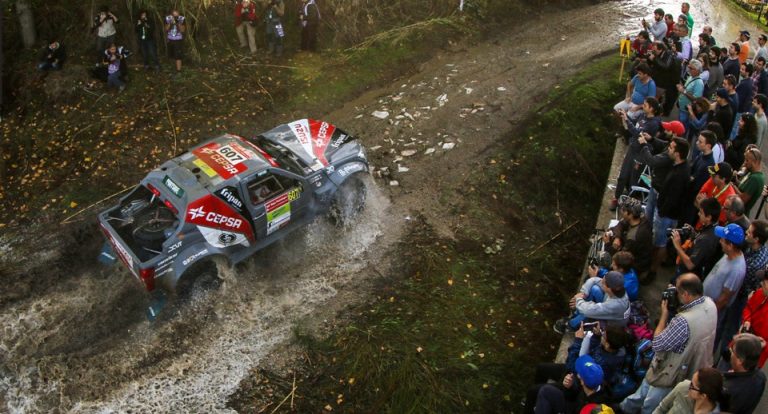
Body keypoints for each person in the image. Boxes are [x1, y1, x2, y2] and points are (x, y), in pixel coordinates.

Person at [620, 273, 717, 414]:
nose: (674, 293)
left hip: (669, 372)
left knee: (650, 402)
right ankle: (626, 407)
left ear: (686, 295)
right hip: (693, 366)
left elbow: (657, 343)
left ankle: (630, 410)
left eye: (677, 291)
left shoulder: (683, 321)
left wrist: (664, 314)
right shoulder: (710, 304)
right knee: (643, 391)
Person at [526, 325, 628, 414]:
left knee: (537, 391)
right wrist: (596, 337)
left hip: (572, 382)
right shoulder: (596, 383)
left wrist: (578, 341)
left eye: (603, 336)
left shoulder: (589, 406)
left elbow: (571, 366)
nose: (602, 335)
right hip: (573, 382)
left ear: (582, 380)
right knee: (542, 369)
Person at [650, 137, 690, 277]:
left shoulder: (680, 174)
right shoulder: (680, 166)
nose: (668, 149)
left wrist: (661, 212)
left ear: (678, 153)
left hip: (667, 215)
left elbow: (673, 198)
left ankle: (653, 270)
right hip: (667, 213)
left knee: (660, 243)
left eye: (671, 148)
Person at [553, 271, 629, 334]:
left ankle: (571, 326)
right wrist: (583, 294)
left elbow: (588, 311)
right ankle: (576, 314)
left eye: (603, 283)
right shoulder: (615, 289)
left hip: (611, 323)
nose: (601, 282)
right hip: (607, 307)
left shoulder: (615, 305)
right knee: (594, 289)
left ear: (609, 288)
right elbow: (594, 280)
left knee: (587, 313)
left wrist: (578, 299)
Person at [534, 355, 610, 414]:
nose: (577, 374)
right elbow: (572, 398)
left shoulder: (596, 408)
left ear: (582, 382)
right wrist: (569, 387)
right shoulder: (593, 385)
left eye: (579, 373)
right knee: (546, 390)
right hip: (572, 407)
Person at [673, 198, 722, 279]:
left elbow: (690, 264)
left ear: (709, 217)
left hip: (687, 276)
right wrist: (694, 234)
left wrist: (677, 246)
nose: (698, 214)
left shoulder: (706, 239)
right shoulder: (713, 228)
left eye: (701, 212)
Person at [605, 198, 653, 276]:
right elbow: (621, 224)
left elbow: (621, 257)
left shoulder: (633, 237)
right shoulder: (640, 218)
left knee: (607, 262)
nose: (621, 211)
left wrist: (607, 244)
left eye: (623, 210)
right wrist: (617, 237)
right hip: (635, 251)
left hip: (637, 263)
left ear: (630, 214)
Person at [721, 333, 767, 414]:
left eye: (732, 351)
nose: (729, 352)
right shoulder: (761, 377)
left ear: (740, 361)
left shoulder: (727, 389)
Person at [653, 367, 723, 414]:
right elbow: (661, 408)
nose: (688, 385)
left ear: (703, 396)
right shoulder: (683, 387)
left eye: (692, 385)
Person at [741, 270, 768, 367]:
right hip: (742, 342)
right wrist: (747, 321)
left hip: (755, 356)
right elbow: (748, 308)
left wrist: (764, 344)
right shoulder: (760, 293)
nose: (761, 284)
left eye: (764, 282)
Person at [648, 41, 680, 116]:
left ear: (660, 49)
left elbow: (665, 66)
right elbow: (654, 65)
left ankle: (665, 112)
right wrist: (649, 58)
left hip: (671, 80)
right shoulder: (657, 54)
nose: (653, 51)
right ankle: (657, 108)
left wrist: (654, 59)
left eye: (655, 49)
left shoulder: (669, 55)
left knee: (670, 97)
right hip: (661, 79)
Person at [734, 147, 766, 215]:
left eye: (747, 160)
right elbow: (742, 187)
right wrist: (735, 179)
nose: (744, 163)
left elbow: (742, 200)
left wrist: (732, 186)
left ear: (755, 162)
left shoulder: (755, 178)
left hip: (738, 214)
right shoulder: (751, 173)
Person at [676, 59, 703, 127]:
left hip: (686, 111)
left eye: (691, 68)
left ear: (697, 70)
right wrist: (682, 88)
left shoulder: (699, 83)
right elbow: (686, 88)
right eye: (689, 67)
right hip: (682, 108)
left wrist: (683, 91)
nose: (689, 69)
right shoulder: (691, 77)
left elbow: (696, 99)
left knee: (682, 127)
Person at [165, 9, 186, 75]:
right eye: (174, 15)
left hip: (178, 40)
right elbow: (166, 29)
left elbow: (183, 30)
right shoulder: (168, 18)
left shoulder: (181, 19)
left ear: (179, 14)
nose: (175, 17)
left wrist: (178, 23)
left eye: (176, 16)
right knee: (171, 55)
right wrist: (170, 23)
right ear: (171, 15)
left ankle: (178, 71)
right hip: (170, 39)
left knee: (178, 56)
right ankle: (172, 69)